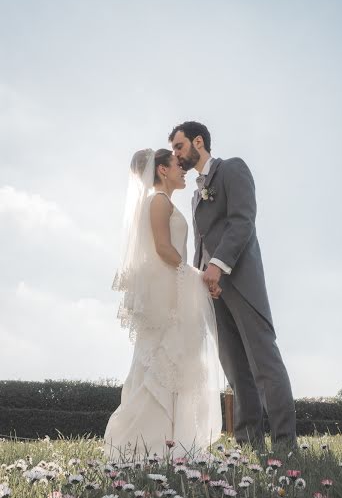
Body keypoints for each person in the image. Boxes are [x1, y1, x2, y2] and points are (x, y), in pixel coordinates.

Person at [169, 121, 297, 450]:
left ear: (199, 141)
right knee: (235, 369)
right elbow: (200, 243)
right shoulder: (197, 194)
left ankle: (285, 446)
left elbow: (243, 219)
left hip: (239, 278)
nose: (176, 154)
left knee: (263, 362)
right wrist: (202, 275)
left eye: (179, 146)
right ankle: (248, 445)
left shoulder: (232, 169)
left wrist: (218, 265)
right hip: (212, 289)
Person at [104, 148, 222, 461]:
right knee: (161, 362)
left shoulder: (164, 201)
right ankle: (147, 443)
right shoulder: (158, 201)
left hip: (174, 289)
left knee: (172, 363)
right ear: (161, 171)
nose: (183, 169)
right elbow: (162, 249)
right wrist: (194, 274)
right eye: (177, 165)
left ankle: (173, 440)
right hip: (170, 292)